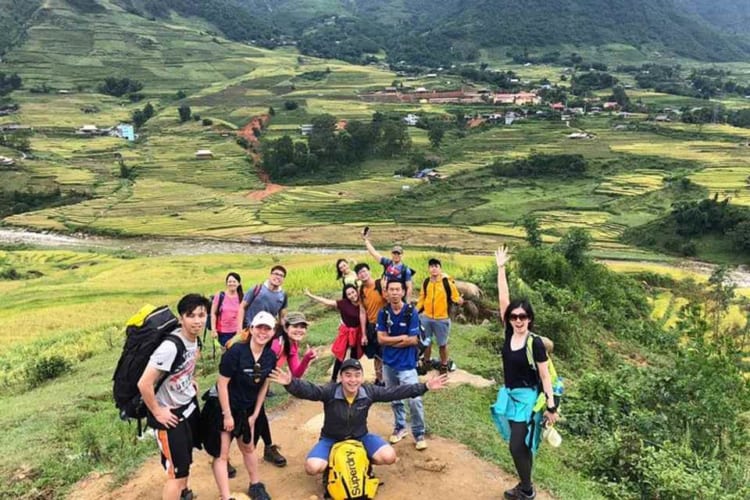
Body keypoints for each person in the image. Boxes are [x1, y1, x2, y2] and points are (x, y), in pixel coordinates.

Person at [269, 358, 449, 479]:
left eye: (357, 375)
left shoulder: (369, 392)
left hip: (360, 437)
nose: (352, 380)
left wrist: (424, 386)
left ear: (362, 377)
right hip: (331, 439)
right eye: (348, 375)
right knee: (313, 468)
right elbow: (310, 390)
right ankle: (334, 467)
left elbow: (395, 391)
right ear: (340, 377)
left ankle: (363, 462)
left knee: (389, 457)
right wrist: (290, 383)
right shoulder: (330, 392)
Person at [492, 245, 559, 500]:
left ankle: (527, 489)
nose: (518, 320)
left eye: (523, 317)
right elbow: (503, 300)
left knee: (516, 444)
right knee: (520, 444)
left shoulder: (535, 343)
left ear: (530, 319)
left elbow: (544, 376)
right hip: (510, 394)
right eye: (514, 317)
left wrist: (551, 407)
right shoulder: (510, 333)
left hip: (528, 398)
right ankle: (525, 485)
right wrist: (501, 269)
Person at [137, 294, 210, 500]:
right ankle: (179, 491)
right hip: (170, 416)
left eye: (201, 315)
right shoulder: (170, 347)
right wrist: (158, 412)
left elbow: (187, 363)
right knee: (176, 475)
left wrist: (190, 379)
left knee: (184, 464)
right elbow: (144, 383)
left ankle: (184, 494)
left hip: (187, 408)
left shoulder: (194, 340)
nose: (197, 320)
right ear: (181, 318)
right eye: (191, 316)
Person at [211, 311, 277, 500]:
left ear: (273, 332)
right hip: (225, 406)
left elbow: (265, 383)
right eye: (259, 328)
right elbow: (221, 383)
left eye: (267, 329)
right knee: (222, 453)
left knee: (248, 447)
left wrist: (255, 414)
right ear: (251, 329)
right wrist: (227, 415)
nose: (262, 332)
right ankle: (225, 496)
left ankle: (255, 484)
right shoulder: (236, 352)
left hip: (247, 409)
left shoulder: (270, 356)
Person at [235, 265, 288, 467]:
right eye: (275, 274)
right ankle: (223, 456)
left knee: (259, 397)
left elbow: (281, 316)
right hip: (248, 335)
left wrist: (285, 331)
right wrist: (240, 330)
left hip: (265, 340)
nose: (277, 277)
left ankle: (267, 446)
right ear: (270, 275)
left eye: (281, 276)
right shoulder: (257, 288)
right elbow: (242, 307)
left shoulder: (282, 295)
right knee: (238, 397)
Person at [376, 280, 427, 450]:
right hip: (389, 364)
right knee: (394, 398)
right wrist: (401, 339)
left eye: (398, 289)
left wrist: (390, 342)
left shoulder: (411, 312)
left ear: (403, 291)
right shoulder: (383, 313)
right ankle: (400, 427)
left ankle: (419, 433)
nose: (395, 293)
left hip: (407, 364)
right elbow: (380, 339)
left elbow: (413, 339)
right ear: (387, 292)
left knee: (415, 399)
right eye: (391, 289)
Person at [304, 285, 363, 381]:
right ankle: (334, 378)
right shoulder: (343, 304)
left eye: (353, 292)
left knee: (354, 356)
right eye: (349, 294)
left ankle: (353, 377)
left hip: (358, 332)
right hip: (346, 333)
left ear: (356, 291)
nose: (352, 295)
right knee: (340, 355)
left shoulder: (363, 302)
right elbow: (326, 302)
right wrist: (310, 295)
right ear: (346, 296)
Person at [416, 258, 463, 374]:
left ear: (440, 268)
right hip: (426, 317)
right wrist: (415, 312)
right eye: (431, 266)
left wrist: (459, 300)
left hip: (442, 319)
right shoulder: (426, 282)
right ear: (428, 269)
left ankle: (444, 366)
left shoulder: (447, 282)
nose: (434, 268)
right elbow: (422, 299)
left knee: (442, 344)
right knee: (426, 342)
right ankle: (426, 363)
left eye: (436, 266)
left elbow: (455, 297)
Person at [355, 263, 386, 386]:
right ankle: (379, 380)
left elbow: (390, 299)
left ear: (369, 271)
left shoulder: (380, 284)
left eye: (364, 271)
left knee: (386, 354)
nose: (363, 274)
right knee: (377, 355)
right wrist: (363, 334)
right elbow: (362, 312)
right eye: (360, 273)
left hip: (385, 325)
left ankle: (389, 380)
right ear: (358, 276)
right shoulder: (361, 290)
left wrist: (384, 288)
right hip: (372, 326)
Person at [362, 232, 413, 302]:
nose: (396, 255)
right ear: (391, 254)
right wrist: (366, 240)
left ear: (402, 255)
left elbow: (409, 287)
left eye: (398, 253)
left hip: (398, 298)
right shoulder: (387, 262)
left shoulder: (405, 270)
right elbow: (374, 253)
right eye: (394, 253)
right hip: (386, 296)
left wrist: (408, 304)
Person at [272, 311, 317, 378]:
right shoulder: (277, 344)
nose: (299, 330)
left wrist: (307, 358)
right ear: (286, 328)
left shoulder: (293, 345)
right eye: (295, 326)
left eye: (302, 327)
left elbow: (296, 374)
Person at [211, 272, 244, 350]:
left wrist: (240, 330)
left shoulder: (242, 297)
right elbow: (213, 313)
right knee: (226, 353)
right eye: (229, 282)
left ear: (238, 283)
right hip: (223, 332)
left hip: (237, 332)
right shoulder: (220, 296)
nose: (231, 284)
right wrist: (213, 329)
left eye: (234, 281)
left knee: (236, 353)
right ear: (226, 283)